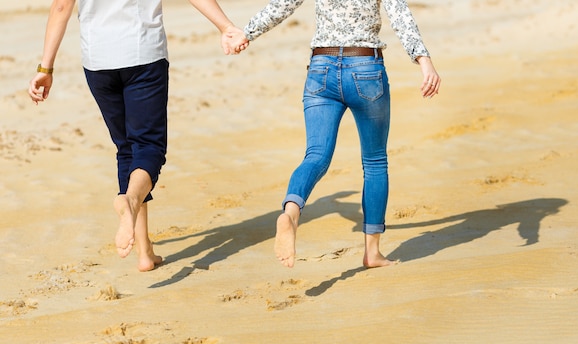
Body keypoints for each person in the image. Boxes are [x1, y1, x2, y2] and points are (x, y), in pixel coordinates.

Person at [28, 0, 248, 271]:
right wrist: (225, 26)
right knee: (148, 147)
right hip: (143, 54)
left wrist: (45, 68)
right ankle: (130, 201)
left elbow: (61, 6)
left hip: (98, 60)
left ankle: (144, 251)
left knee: (126, 149)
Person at [243, 0, 441, 268]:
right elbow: (400, 15)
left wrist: (245, 33)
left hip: (320, 68)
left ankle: (290, 213)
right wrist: (424, 61)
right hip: (365, 68)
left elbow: (282, 5)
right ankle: (372, 252)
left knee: (315, 156)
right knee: (374, 162)